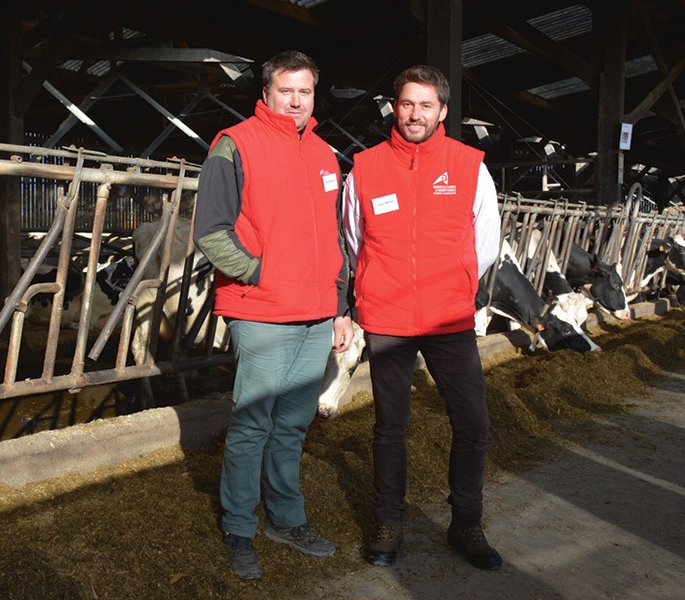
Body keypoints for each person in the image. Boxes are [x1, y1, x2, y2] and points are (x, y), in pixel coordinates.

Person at [193, 49, 356, 580]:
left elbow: (335, 240)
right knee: (252, 422)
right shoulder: (234, 144)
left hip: (315, 313)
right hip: (261, 310)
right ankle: (239, 527)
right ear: (265, 94)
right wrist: (259, 274)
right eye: (285, 90)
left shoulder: (328, 156)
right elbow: (211, 232)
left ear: (314, 95)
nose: (295, 101)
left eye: (304, 91)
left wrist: (338, 307)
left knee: (292, 425)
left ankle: (286, 519)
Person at [342, 65, 503, 570]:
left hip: (448, 317)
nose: (415, 114)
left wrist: (454, 280)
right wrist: (382, 281)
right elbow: (354, 236)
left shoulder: (469, 165)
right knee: (391, 424)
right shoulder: (365, 167)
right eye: (407, 104)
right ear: (396, 106)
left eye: (425, 105)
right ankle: (389, 522)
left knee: (472, 422)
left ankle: (467, 522)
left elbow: (486, 240)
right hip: (388, 316)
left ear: (443, 112)